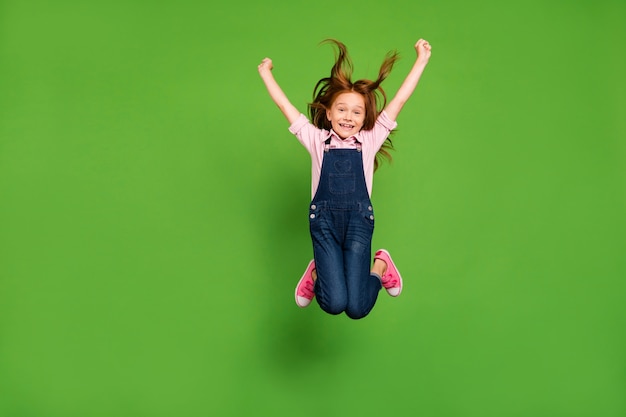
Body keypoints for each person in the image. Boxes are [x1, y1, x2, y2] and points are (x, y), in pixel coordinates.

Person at [258, 38, 432, 319]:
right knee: (333, 303)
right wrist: (266, 73)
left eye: (357, 112)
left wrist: (421, 60)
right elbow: (284, 106)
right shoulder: (317, 140)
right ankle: (316, 272)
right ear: (328, 113)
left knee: (357, 308)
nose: (348, 117)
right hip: (324, 225)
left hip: (358, 225)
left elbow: (400, 99)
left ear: (365, 119)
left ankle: (381, 267)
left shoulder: (370, 140)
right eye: (341, 109)